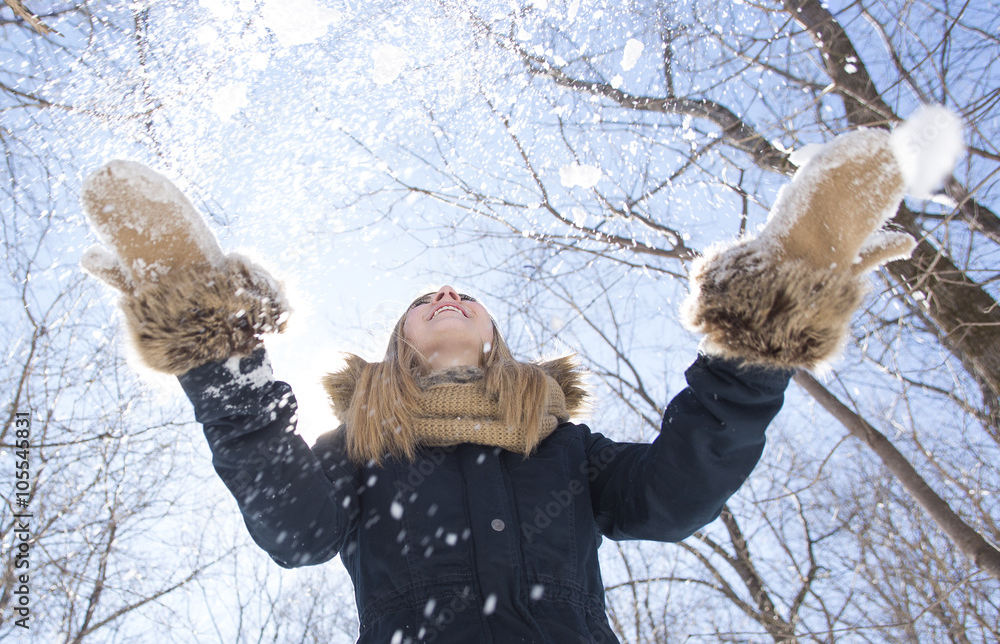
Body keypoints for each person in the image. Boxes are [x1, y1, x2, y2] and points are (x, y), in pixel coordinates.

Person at [79, 112, 950, 642]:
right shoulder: (359, 454)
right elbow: (295, 530)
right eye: (426, 298)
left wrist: (761, 337)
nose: (448, 294)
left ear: (498, 343)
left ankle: (797, 251)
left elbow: (674, 496)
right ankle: (186, 288)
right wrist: (211, 340)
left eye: (461, 295)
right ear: (396, 353)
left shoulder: (565, 452)